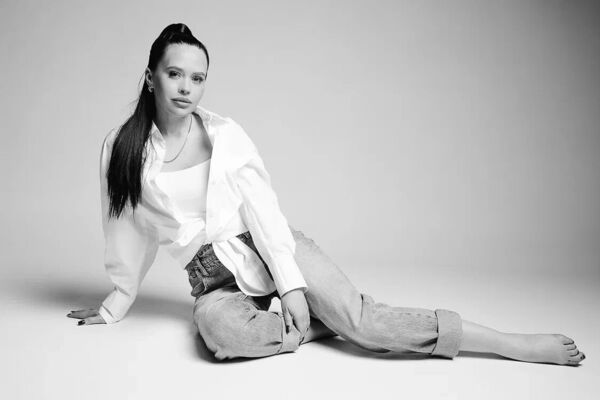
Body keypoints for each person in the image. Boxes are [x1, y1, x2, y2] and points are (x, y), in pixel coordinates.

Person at [67, 23, 585, 366]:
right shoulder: (122, 149)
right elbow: (125, 233)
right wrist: (117, 302)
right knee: (224, 338)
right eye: (174, 73)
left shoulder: (226, 135)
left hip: (272, 247)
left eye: (197, 78)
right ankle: (321, 325)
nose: (185, 87)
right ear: (150, 77)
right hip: (213, 281)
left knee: (366, 324)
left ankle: (508, 344)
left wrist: (290, 285)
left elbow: (264, 215)